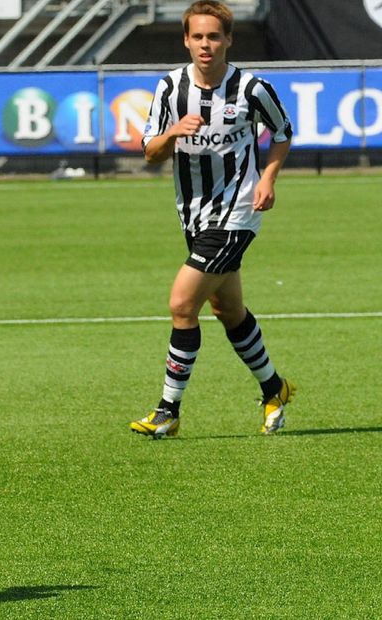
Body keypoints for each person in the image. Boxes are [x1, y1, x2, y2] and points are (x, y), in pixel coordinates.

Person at [130, 0, 296, 439]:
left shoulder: (251, 88)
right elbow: (149, 152)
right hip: (194, 215)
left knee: (183, 305)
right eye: (198, 36)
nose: (206, 44)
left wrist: (268, 178)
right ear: (186, 40)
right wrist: (171, 134)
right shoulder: (169, 88)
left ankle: (168, 410)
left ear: (228, 40)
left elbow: (282, 133)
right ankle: (274, 389)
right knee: (229, 309)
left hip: (238, 212)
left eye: (214, 36)